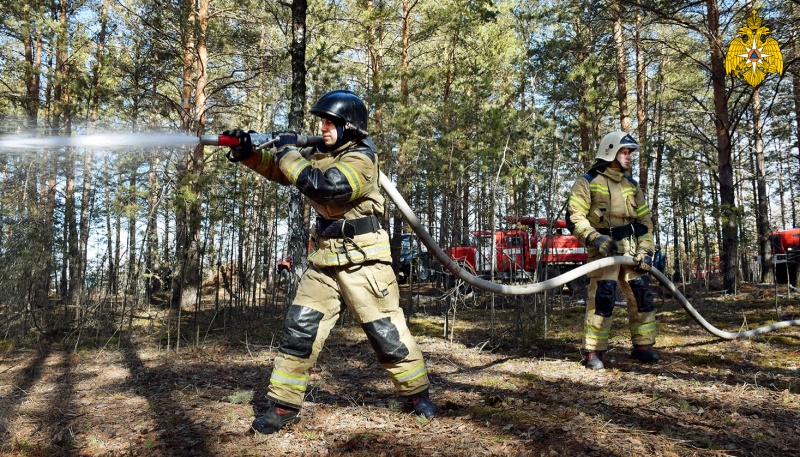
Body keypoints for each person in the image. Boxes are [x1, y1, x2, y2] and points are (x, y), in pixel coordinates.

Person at [223, 90, 436, 434]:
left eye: (329, 122)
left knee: (387, 335)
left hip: (363, 261)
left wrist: (289, 150)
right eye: (321, 121)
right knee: (299, 330)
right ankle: (283, 404)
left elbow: (324, 187)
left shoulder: (362, 161)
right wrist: (248, 153)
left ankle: (416, 395)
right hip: (323, 259)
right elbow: (284, 171)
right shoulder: (321, 153)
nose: (322, 128)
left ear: (349, 127)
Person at [567, 131, 658, 370]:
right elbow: (574, 217)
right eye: (625, 152)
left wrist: (646, 249)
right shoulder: (587, 181)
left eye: (630, 153)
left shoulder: (631, 185)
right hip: (603, 251)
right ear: (609, 151)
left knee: (641, 295)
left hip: (630, 250)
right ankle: (593, 352)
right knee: (603, 297)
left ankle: (643, 346)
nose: (629, 157)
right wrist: (594, 238)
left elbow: (645, 221)